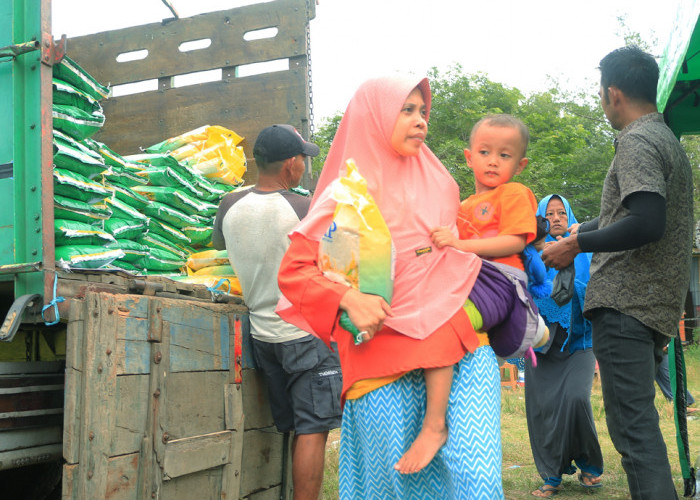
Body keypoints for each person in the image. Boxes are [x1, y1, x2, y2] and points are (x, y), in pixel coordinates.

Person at [277, 76, 505, 499]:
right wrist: (348, 297)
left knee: (477, 479)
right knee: (395, 484)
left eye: (422, 111)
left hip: (460, 344)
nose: (420, 121)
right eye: (406, 110)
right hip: (383, 352)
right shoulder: (351, 193)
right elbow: (296, 272)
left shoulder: (441, 183)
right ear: (374, 117)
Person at [542, 46, 693, 500]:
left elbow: (648, 221)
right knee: (639, 428)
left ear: (613, 93)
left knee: (634, 433)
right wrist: (583, 227)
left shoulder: (636, 141)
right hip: (650, 306)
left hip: (627, 307)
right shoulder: (666, 139)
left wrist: (576, 243)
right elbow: (630, 211)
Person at [212, 124, 342, 500]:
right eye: (302, 159)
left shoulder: (229, 205)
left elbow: (221, 244)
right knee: (312, 430)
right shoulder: (305, 208)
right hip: (305, 334)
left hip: (263, 335)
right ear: (290, 165)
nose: (304, 165)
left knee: (292, 428)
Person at [430, 113, 549, 354]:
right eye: (484, 152)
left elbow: (514, 242)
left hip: (500, 279)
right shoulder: (461, 205)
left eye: (504, 155)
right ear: (469, 157)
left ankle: (528, 323)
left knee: (448, 321)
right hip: (468, 278)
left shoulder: (513, 192)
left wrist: (458, 245)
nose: (493, 161)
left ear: (520, 165)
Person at [527, 194, 603, 498]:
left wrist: (566, 269)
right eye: (550, 213)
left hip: (580, 342)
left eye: (561, 212)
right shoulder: (530, 252)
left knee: (576, 400)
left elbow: (595, 289)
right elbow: (523, 290)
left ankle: (590, 466)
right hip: (543, 347)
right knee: (543, 411)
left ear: (569, 215)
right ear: (541, 219)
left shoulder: (584, 248)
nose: (557, 217)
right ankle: (551, 475)